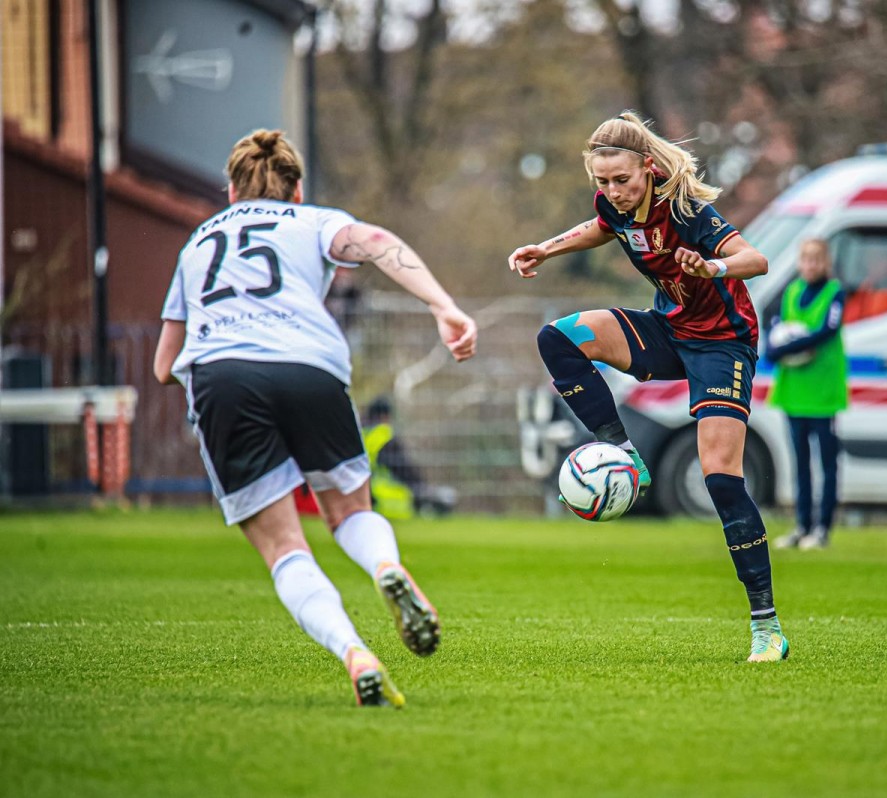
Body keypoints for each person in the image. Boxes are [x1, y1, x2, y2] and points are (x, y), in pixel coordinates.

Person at [152, 129, 477, 708]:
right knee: (350, 511)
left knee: (284, 548)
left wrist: (223, 376)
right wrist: (443, 306)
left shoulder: (198, 243)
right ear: (296, 190)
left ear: (232, 192)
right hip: (309, 365)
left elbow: (162, 366)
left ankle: (354, 652)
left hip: (222, 377)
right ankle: (385, 565)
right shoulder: (314, 221)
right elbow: (377, 242)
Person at [507, 111, 788, 663]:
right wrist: (546, 248)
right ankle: (626, 455)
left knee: (721, 479)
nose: (613, 191)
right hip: (668, 330)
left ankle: (766, 627)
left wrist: (711, 268)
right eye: (602, 181)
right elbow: (603, 227)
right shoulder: (614, 205)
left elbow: (755, 260)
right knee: (558, 339)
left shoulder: (686, 211)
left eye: (622, 180)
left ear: (648, 169)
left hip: (722, 344)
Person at [766, 238, 849, 550]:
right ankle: (802, 526)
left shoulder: (834, 292)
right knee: (800, 462)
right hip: (794, 390)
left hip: (823, 391)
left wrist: (785, 348)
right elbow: (777, 324)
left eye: (816, 259)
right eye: (806, 259)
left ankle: (823, 528)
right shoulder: (792, 291)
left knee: (827, 462)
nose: (811, 265)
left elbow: (827, 330)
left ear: (826, 262)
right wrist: (774, 346)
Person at [362, 395, 458, 519]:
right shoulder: (383, 436)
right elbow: (405, 469)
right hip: (385, 501)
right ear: (385, 416)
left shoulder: (359, 432)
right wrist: (423, 488)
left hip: (358, 498)